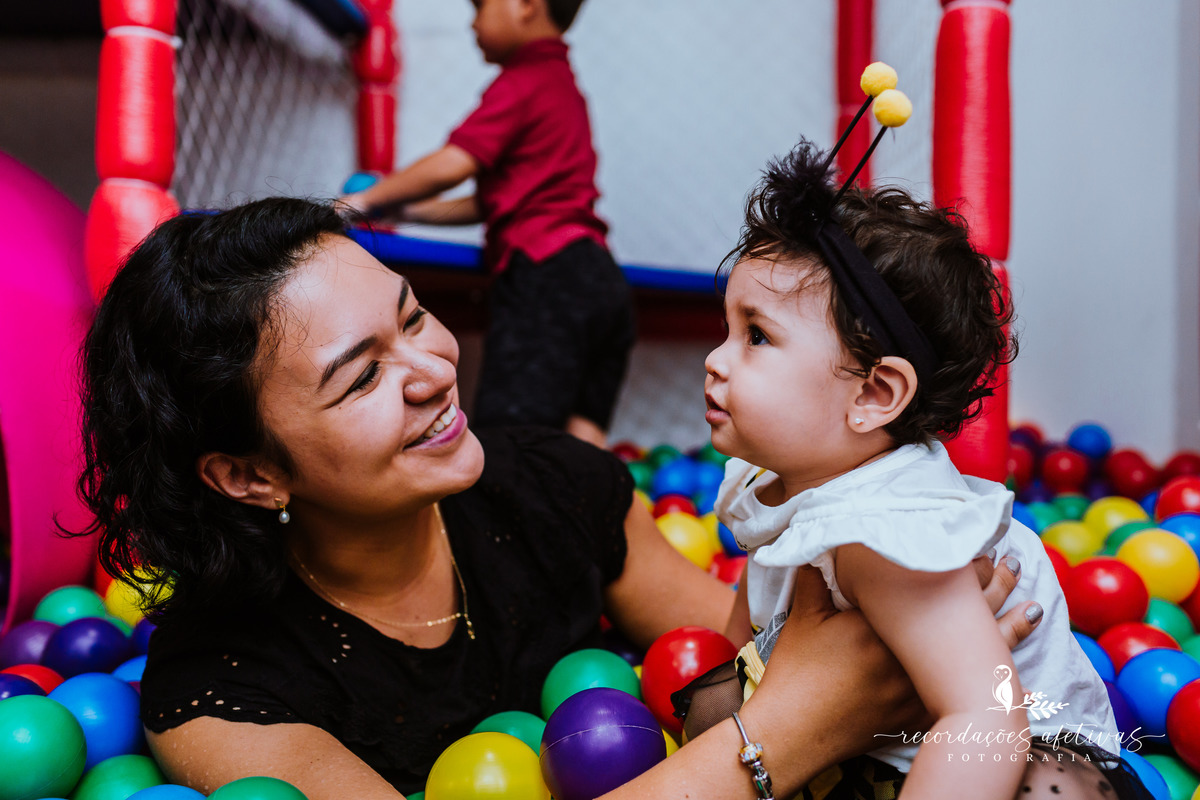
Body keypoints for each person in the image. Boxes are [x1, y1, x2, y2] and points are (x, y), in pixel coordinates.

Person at [72, 197, 1042, 800]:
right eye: (360, 377)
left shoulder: (549, 486)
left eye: (414, 316)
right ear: (249, 472)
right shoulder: (226, 687)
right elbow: (793, 696)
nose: (432, 369)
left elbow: (744, 641)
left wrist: (910, 637)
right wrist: (784, 733)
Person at [699, 141, 1147, 799]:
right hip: (878, 737)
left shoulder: (887, 530)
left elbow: (984, 714)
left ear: (874, 396)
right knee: (712, 706)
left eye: (757, 336)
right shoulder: (770, 476)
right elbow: (751, 632)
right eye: (728, 328)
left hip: (1015, 750)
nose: (716, 358)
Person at [341, 0, 632, 449]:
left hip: (548, 277)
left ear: (525, 6)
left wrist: (363, 200)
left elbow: (452, 165)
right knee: (581, 445)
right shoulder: (561, 84)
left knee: (509, 441)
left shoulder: (522, 80)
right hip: (599, 281)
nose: (472, 21)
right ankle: (590, 516)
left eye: (479, 6)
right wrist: (409, 212)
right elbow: (494, 202)